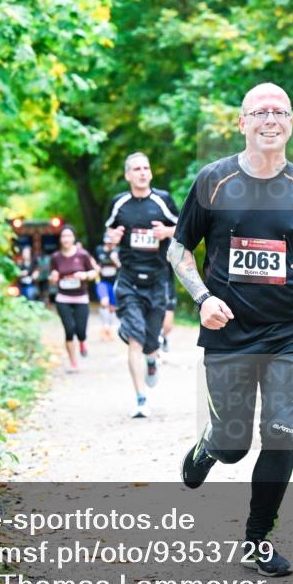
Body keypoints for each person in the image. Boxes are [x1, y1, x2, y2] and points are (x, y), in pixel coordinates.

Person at [167, 83, 293, 577]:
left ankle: (257, 540)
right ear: (241, 123)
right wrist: (203, 299)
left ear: (290, 123)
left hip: (289, 330)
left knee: (281, 434)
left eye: (280, 111)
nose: (271, 119)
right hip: (228, 331)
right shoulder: (212, 181)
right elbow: (179, 250)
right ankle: (208, 448)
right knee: (234, 444)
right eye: (259, 111)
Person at [105, 152, 179, 418]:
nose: (142, 172)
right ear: (127, 175)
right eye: (136, 169)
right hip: (129, 280)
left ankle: (152, 357)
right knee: (135, 340)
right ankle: (140, 400)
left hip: (158, 279)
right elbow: (109, 235)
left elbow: (184, 227)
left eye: (146, 168)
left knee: (151, 340)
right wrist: (111, 240)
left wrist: (167, 232)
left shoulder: (162, 200)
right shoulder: (119, 203)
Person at [49, 225, 99, 372]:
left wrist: (85, 275)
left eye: (69, 236)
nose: (66, 239)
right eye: (63, 236)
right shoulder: (56, 257)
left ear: (73, 238)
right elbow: (52, 276)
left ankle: (82, 341)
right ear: (60, 239)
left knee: (81, 331)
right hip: (63, 297)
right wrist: (53, 278)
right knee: (69, 330)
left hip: (81, 297)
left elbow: (95, 271)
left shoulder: (82, 255)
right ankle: (73, 363)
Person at [94, 232, 121, 341]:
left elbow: (122, 267)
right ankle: (104, 326)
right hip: (102, 282)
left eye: (112, 243)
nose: (110, 245)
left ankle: (108, 329)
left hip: (115, 282)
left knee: (112, 308)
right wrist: (96, 268)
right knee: (104, 302)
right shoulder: (99, 250)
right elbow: (94, 263)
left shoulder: (118, 251)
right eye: (108, 243)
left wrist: (115, 259)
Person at [160, 263, 177, 353]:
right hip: (152, 291)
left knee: (168, 326)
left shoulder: (169, 250)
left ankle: (163, 337)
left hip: (168, 292)